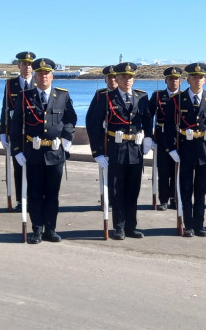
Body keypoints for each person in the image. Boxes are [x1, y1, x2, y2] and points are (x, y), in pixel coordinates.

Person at [9, 58, 77, 244]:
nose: (43, 76)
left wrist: (67, 137)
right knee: (35, 193)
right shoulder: (25, 96)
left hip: (55, 153)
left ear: (52, 76)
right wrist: (17, 150)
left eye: (46, 73)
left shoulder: (62, 95)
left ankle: (51, 229)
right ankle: (37, 230)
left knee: (52, 194)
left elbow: (71, 118)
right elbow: (15, 125)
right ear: (35, 76)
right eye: (40, 73)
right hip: (34, 153)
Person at [86, 62, 152, 240]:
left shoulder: (142, 97)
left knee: (133, 190)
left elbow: (147, 119)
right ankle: (119, 227)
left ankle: (132, 226)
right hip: (115, 150)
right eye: (123, 76)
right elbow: (93, 125)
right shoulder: (106, 97)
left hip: (135, 151)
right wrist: (97, 152)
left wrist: (148, 138)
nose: (126, 80)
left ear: (134, 78)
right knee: (117, 191)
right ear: (118, 78)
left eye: (130, 77)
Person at [163, 63, 206, 237]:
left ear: (205, 80)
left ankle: (200, 225)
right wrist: (171, 148)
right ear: (187, 80)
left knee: (202, 188)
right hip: (185, 149)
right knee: (185, 189)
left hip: (205, 150)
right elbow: (168, 126)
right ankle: (188, 224)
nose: (198, 80)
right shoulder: (177, 99)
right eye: (194, 77)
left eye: (201, 77)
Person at [0, 51, 35, 211]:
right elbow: (5, 110)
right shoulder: (10, 84)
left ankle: (34, 199)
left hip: (35, 133)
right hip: (16, 133)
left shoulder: (38, 83)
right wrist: (2, 132)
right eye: (24, 64)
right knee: (18, 168)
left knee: (35, 168)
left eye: (29, 64)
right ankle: (21, 201)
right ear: (19, 65)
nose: (27, 67)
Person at [148, 66, 182, 210]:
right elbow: (148, 116)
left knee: (177, 170)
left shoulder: (184, 96)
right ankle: (163, 200)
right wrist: (149, 138)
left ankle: (175, 198)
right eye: (170, 79)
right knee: (163, 170)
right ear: (165, 80)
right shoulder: (157, 96)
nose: (173, 82)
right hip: (161, 137)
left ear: (180, 81)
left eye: (176, 79)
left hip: (178, 137)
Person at [85, 65, 119, 210]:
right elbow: (90, 120)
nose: (112, 80)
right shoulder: (100, 95)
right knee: (108, 174)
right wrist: (96, 147)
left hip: (120, 141)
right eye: (109, 77)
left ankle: (118, 200)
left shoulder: (125, 94)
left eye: (114, 77)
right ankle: (109, 200)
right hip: (105, 140)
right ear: (105, 79)